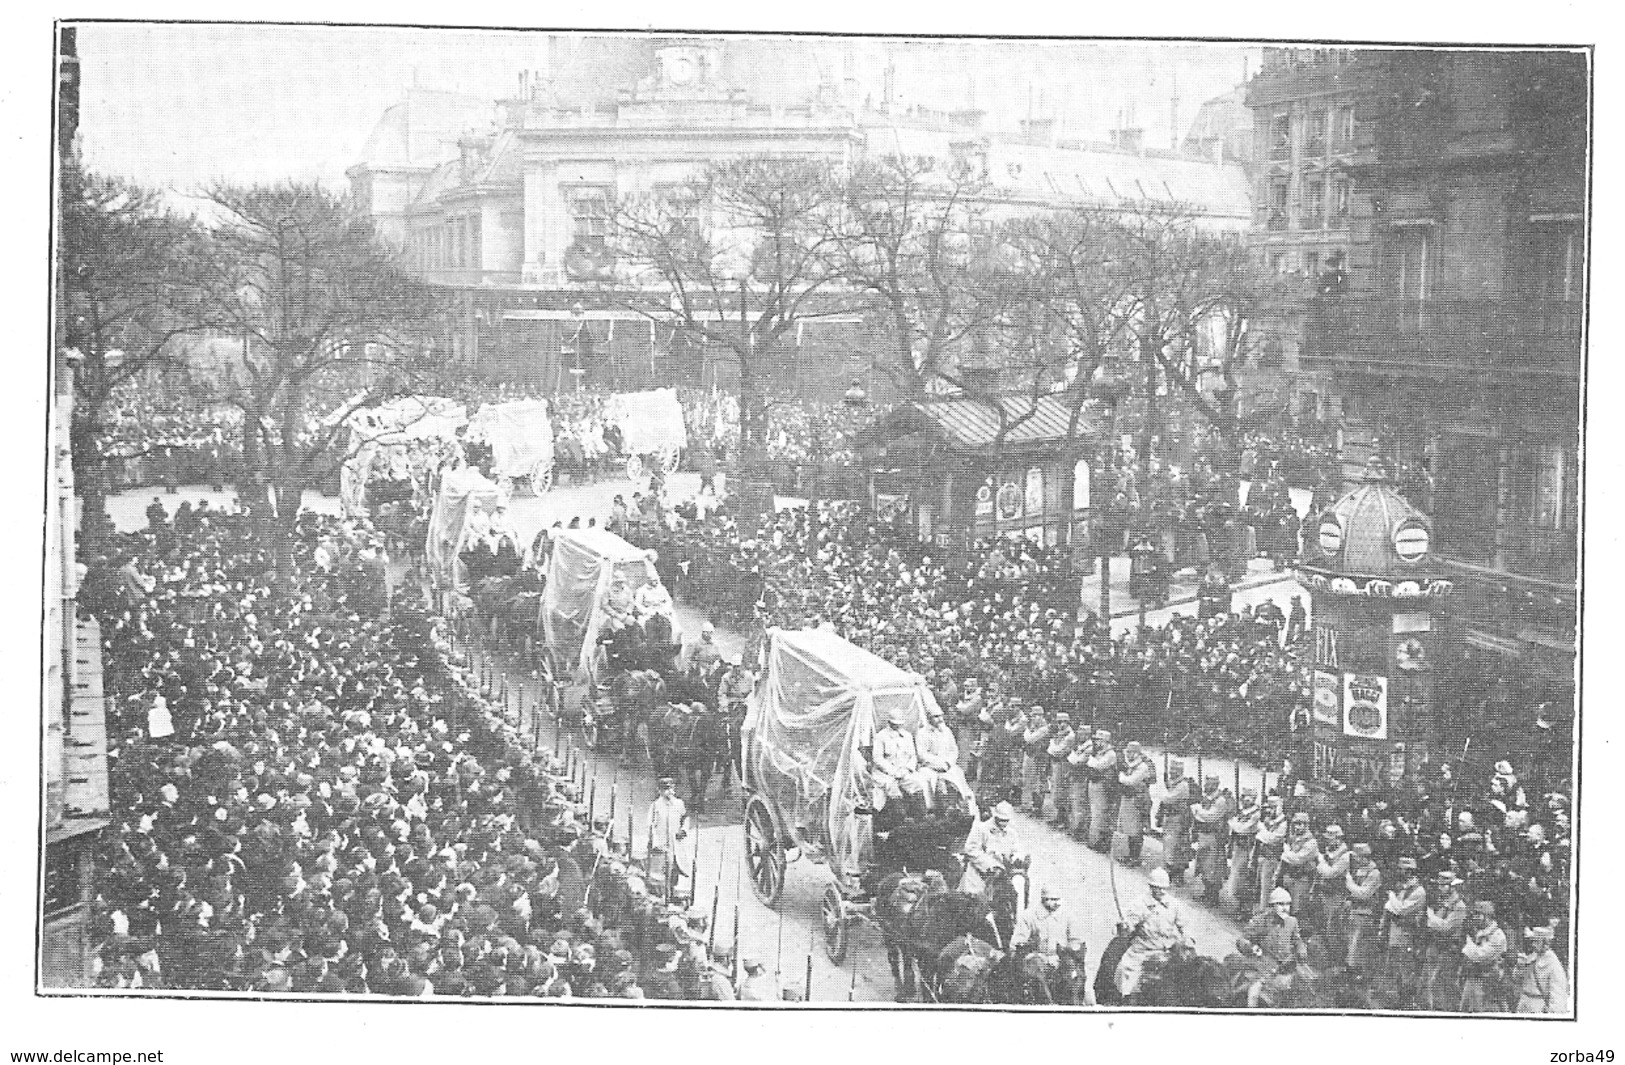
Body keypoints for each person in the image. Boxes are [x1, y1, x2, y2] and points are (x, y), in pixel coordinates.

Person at [1115, 867, 1193, 1000]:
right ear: (1151, 887)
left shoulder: (1174, 905)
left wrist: (1187, 938)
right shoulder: (1139, 904)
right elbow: (1129, 924)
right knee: (1125, 971)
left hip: (1167, 952)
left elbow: (1184, 925)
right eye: (1158, 888)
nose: (1162, 891)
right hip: (1142, 951)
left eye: (1164, 888)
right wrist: (1125, 926)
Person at [1235, 887, 1307, 1007]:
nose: (1285, 908)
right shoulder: (1261, 920)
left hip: (1285, 967)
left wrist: (1301, 948)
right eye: (1280, 904)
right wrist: (1251, 947)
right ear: (1272, 906)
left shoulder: (1292, 921)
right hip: (1261, 966)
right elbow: (1242, 940)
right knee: (1253, 994)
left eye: (1288, 904)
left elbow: (1297, 939)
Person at [961, 802, 1027, 896]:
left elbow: (1016, 849)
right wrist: (990, 865)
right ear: (995, 817)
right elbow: (970, 849)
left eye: (1006, 820)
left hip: (1001, 876)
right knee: (977, 901)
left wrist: (1016, 858)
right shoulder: (981, 828)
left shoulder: (1011, 832)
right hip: (979, 874)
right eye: (1001, 820)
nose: (1003, 823)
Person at [870, 708, 927, 817]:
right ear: (889, 722)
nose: (897, 726)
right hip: (885, 774)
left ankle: (920, 818)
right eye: (894, 724)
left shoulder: (907, 736)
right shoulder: (881, 737)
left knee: (917, 783)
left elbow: (912, 756)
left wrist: (907, 769)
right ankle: (899, 818)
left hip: (904, 772)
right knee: (892, 789)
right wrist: (894, 771)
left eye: (899, 724)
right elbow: (878, 759)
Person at [1458, 900, 1508, 1013]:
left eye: (1478, 914)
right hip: (1473, 978)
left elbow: (1480, 956)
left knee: (1482, 1014)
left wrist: (1468, 942)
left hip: (1487, 983)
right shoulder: (1479, 932)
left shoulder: (1497, 935)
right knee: (1464, 1010)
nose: (1475, 918)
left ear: (1487, 916)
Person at [1190, 774, 1232, 905]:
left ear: (1215, 785)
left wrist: (1197, 810)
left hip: (1214, 837)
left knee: (1213, 867)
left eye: (1208, 784)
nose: (1205, 786)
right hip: (1204, 835)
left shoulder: (1220, 801)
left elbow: (1210, 817)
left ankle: (1213, 897)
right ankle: (1207, 892)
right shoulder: (1207, 798)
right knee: (1203, 865)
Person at [914, 705, 965, 812]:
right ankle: (930, 809)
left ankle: (957, 806)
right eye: (936, 717)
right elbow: (922, 754)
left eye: (941, 716)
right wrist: (938, 765)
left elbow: (953, 750)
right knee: (926, 780)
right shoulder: (922, 733)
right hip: (929, 766)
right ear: (929, 718)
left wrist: (948, 763)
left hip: (946, 765)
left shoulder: (946, 731)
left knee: (957, 777)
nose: (940, 719)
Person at [1344, 842, 1383, 976]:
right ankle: (1351, 970)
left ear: (1364, 857)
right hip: (1355, 911)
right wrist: (1349, 898)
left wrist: (1349, 883)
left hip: (1366, 913)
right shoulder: (1359, 870)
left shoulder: (1374, 873)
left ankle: (1360, 973)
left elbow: (1363, 894)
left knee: (1359, 944)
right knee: (1351, 942)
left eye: (1357, 857)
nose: (1355, 860)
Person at [645, 778, 688, 899]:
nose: (668, 792)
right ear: (659, 791)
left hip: (675, 844)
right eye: (665, 789)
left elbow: (685, 818)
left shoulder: (679, 804)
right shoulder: (655, 806)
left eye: (670, 789)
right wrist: (656, 843)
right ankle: (663, 895)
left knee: (675, 868)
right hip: (661, 845)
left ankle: (672, 892)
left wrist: (683, 830)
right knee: (661, 872)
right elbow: (650, 826)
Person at [1116, 741, 1156, 866]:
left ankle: (1135, 857)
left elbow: (1130, 781)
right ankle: (1130, 855)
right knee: (1129, 828)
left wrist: (1121, 776)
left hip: (1138, 800)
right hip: (1128, 797)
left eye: (1132, 752)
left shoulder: (1142, 766)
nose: (1129, 754)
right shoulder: (1129, 764)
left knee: (1136, 829)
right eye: (1127, 752)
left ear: (1138, 753)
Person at [1511, 925, 1567, 1014]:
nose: (1533, 944)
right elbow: (1516, 979)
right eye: (1533, 941)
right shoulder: (1532, 956)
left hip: (1538, 1006)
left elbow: (1558, 992)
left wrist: (1553, 1012)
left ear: (1546, 944)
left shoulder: (1553, 963)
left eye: (1537, 942)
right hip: (1523, 1003)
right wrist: (1519, 967)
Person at [1223, 787, 1260, 912]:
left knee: (1245, 877)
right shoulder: (1243, 811)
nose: (1244, 800)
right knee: (1237, 876)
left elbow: (1241, 828)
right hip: (1239, 847)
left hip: (1248, 849)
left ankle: (1245, 908)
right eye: (1243, 797)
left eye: (1247, 798)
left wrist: (1231, 822)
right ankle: (1240, 905)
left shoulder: (1255, 814)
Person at [1278, 811, 1320, 917]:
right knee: (1285, 907)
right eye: (1295, 824)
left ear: (1307, 825)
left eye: (1300, 824)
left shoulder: (1311, 842)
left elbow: (1297, 859)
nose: (1297, 827)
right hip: (1289, 876)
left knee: (1298, 910)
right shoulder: (1293, 838)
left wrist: (1285, 852)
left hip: (1302, 879)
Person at [1084, 729, 1118, 851]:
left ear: (1105, 741)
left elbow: (1098, 765)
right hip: (1094, 783)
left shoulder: (1110, 754)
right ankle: (1094, 839)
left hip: (1103, 786)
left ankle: (1097, 841)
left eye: (1098, 740)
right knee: (1094, 811)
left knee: (1100, 813)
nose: (1096, 742)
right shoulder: (1099, 752)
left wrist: (1091, 759)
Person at [1254, 795, 1289, 914]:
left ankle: (1265, 913)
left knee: (1267, 887)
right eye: (1270, 807)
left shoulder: (1283, 823)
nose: (1271, 810)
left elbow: (1272, 838)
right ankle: (1261, 912)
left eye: (1274, 807)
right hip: (1264, 856)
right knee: (1260, 885)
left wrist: (1261, 831)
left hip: (1273, 858)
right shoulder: (1270, 820)